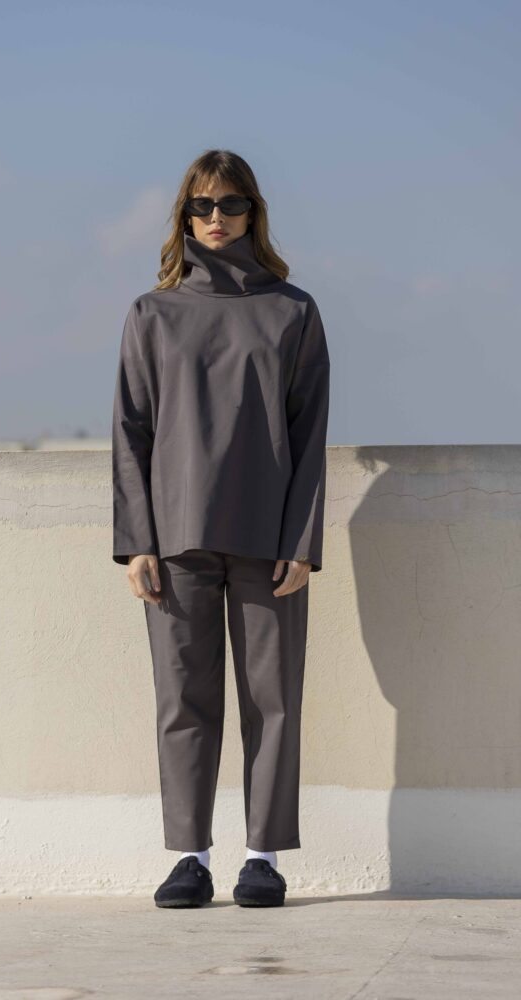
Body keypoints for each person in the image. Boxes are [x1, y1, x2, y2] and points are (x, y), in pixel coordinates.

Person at [112, 148, 330, 908]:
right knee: (183, 701)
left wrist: (302, 543)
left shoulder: (293, 312)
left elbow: (309, 435)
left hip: (269, 539)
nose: (216, 218)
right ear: (184, 215)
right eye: (201, 205)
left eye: (230, 204)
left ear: (253, 212)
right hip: (176, 538)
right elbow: (131, 431)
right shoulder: (152, 314)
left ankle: (262, 857)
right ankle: (191, 857)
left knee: (274, 700)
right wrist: (137, 541)